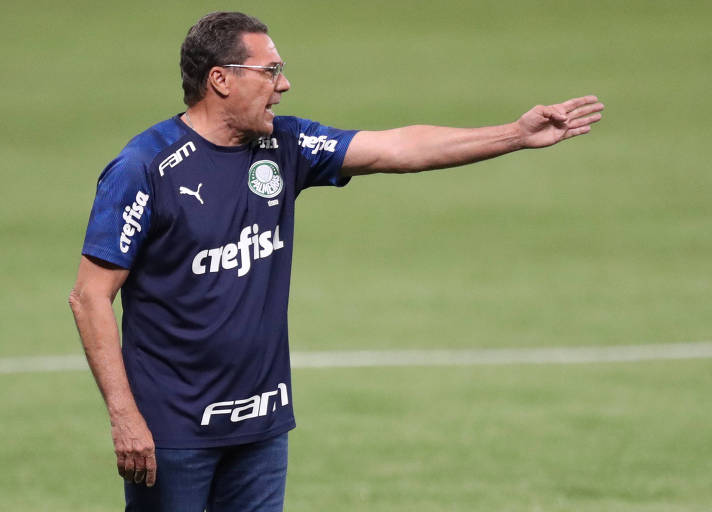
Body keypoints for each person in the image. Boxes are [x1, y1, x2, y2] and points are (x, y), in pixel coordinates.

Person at [69, 11, 603, 512]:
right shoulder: (146, 167)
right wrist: (124, 416)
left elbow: (399, 148)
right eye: (271, 70)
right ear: (221, 80)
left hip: (262, 425)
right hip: (174, 432)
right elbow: (90, 295)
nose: (284, 84)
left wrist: (513, 135)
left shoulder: (285, 145)